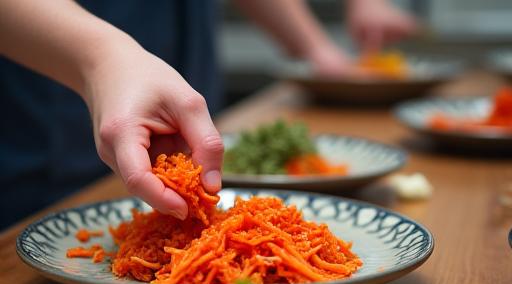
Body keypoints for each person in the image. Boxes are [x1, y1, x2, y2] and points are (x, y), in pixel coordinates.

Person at [0, 0, 417, 229]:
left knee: (187, 182)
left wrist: (315, 48)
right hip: (50, 98)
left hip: (179, 66)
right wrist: (102, 61)